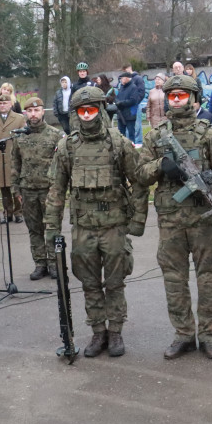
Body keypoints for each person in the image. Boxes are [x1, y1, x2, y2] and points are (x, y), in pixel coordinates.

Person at [44, 86, 149, 359]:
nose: (88, 116)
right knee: (89, 283)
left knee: (115, 283)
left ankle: (115, 332)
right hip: (83, 228)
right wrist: (51, 229)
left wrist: (136, 222)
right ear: (77, 114)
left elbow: (139, 183)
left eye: (92, 110)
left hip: (114, 226)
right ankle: (98, 331)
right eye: (82, 111)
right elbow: (56, 190)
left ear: (101, 110)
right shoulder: (67, 147)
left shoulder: (119, 143)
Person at [136, 74, 212, 360]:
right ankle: (183, 334)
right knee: (174, 280)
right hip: (171, 220)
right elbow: (140, 175)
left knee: (207, 280)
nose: (177, 100)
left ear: (193, 98)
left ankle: (208, 336)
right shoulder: (156, 135)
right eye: (172, 95)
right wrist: (160, 166)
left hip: (204, 219)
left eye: (182, 95)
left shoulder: (207, 133)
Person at [11, 97, 64, 280]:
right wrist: (15, 190)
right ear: (25, 113)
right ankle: (40, 263)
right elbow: (15, 164)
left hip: (50, 191)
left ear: (43, 112)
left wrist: (60, 190)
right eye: (30, 111)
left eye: (37, 110)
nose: (33, 114)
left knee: (52, 228)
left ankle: (54, 263)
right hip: (28, 190)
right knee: (34, 230)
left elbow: (63, 165)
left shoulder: (55, 135)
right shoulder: (20, 136)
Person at [0, 92, 26, 223]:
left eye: (5, 103)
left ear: (11, 104)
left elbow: (24, 139)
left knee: (15, 186)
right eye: (0, 103)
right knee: (4, 188)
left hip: (14, 158)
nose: (2, 106)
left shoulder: (19, 118)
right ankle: (7, 212)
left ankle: (18, 212)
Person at [114, 70, 143, 143]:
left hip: (130, 115)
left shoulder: (133, 87)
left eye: (122, 78)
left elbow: (133, 100)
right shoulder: (122, 87)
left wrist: (121, 103)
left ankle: (132, 147)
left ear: (127, 78)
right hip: (121, 114)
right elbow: (118, 97)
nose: (120, 80)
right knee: (121, 133)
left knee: (131, 134)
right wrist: (116, 101)